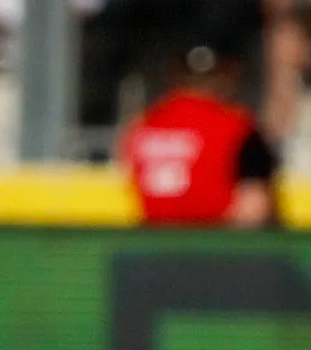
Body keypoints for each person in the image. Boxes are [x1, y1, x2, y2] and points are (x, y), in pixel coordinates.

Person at [120, 35, 281, 226]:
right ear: (227, 75)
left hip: (152, 243)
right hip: (213, 245)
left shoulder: (142, 125)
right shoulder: (237, 127)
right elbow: (254, 206)